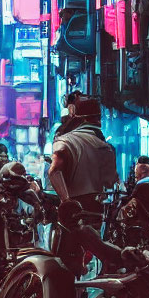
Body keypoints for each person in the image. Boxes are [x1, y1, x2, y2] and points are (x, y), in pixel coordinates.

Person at [48, 92, 118, 275]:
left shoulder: (64, 141)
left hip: (72, 215)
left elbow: (54, 171)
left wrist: (65, 200)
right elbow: (110, 182)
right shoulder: (105, 147)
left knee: (64, 267)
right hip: (96, 214)